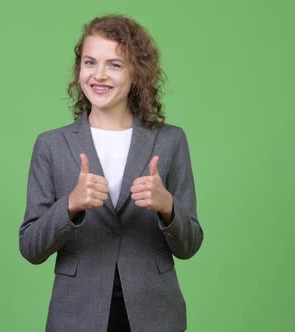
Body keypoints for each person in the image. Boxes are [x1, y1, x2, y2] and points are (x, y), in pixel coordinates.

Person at [19, 14, 203, 332]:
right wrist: (70, 205)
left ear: (137, 73)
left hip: (155, 313)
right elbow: (31, 247)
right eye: (90, 62)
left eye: (115, 65)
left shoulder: (171, 140)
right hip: (77, 314)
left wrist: (167, 206)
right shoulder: (50, 144)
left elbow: (190, 245)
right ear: (79, 69)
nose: (99, 75)